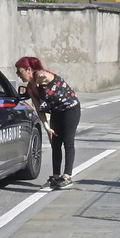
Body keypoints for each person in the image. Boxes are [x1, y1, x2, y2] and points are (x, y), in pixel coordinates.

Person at [14, 56, 80, 189]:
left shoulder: (40, 75)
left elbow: (43, 75)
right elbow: (39, 109)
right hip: (56, 112)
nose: (18, 75)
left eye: (19, 71)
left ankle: (67, 176)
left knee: (68, 141)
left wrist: (40, 80)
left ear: (28, 70)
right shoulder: (30, 88)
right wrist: (47, 127)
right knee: (55, 142)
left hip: (70, 108)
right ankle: (56, 177)